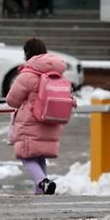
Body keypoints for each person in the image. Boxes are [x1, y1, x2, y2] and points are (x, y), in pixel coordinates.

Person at [5, 38, 67, 195]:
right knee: (39, 157)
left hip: (30, 122)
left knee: (27, 156)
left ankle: (42, 182)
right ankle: (40, 192)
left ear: (27, 53)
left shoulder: (28, 75)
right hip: (51, 120)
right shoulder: (57, 73)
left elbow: (12, 100)